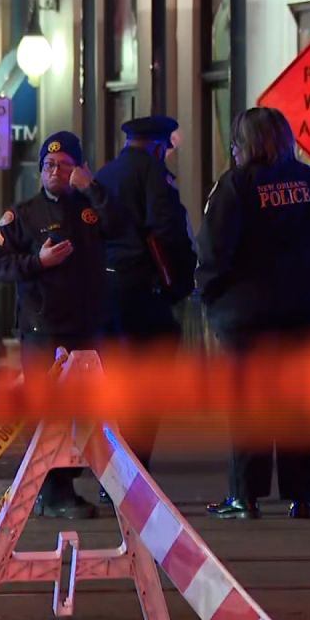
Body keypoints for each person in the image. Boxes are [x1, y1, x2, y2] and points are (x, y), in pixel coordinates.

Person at [196, 107, 310, 519]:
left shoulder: (235, 186)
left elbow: (214, 251)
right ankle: (303, 496)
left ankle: (247, 495)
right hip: (305, 314)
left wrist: (209, 297)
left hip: (249, 319)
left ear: (243, 144)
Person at [0, 131, 119, 519]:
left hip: (87, 327)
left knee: (86, 411)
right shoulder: (23, 215)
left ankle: (67, 483)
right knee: (50, 413)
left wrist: (92, 187)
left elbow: (122, 226)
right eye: (48, 165)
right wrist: (37, 263)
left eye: (64, 165)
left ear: (79, 168)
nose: (55, 171)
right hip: (43, 329)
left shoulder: (90, 208)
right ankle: (53, 491)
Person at [92, 115, 196, 497]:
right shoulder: (154, 174)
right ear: (156, 145)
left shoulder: (105, 175)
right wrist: (180, 281)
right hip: (142, 291)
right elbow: (167, 229)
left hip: (105, 292)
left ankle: (111, 477)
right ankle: (134, 474)